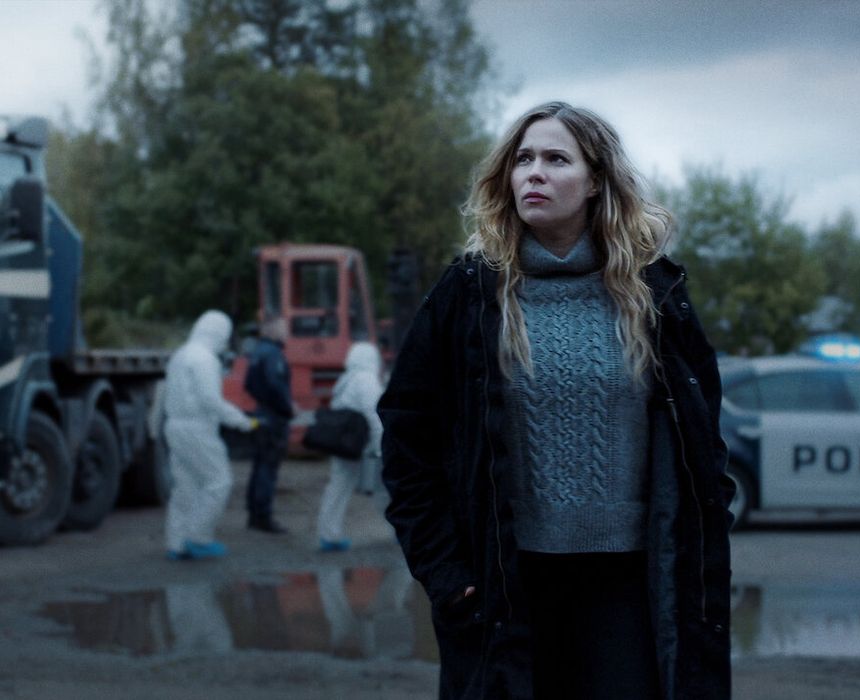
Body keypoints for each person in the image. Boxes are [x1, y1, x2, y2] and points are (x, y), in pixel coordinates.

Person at [378, 102, 733, 700]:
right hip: (505, 581)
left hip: (629, 585)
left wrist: (703, 550)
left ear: (595, 181)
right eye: (523, 159)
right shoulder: (468, 294)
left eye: (556, 159)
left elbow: (703, 448)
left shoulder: (654, 294)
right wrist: (444, 573)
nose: (534, 173)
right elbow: (407, 440)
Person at [163, 310, 257, 560]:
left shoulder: (181, 355)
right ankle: (199, 538)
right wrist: (241, 421)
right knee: (218, 481)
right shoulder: (205, 359)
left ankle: (177, 543)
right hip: (198, 428)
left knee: (185, 488)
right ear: (219, 334)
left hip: (174, 425)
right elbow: (210, 400)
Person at [315, 341, 386, 552]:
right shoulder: (366, 379)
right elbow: (374, 414)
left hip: (344, 443)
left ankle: (328, 533)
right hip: (359, 444)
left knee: (338, 486)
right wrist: (381, 445)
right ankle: (401, 530)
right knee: (382, 488)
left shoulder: (347, 378)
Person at [243, 315, 294, 533]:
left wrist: (263, 402)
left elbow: (249, 384)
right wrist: (287, 407)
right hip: (274, 419)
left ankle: (254, 514)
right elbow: (276, 386)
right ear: (271, 331)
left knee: (259, 465)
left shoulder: (258, 352)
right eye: (283, 329)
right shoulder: (273, 354)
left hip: (261, 415)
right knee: (268, 468)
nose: (286, 333)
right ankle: (263, 517)